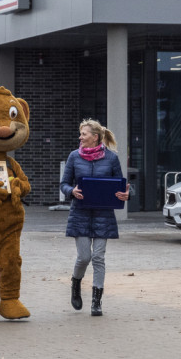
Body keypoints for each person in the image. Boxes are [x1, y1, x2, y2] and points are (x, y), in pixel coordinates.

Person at [60, 118, 130, 316]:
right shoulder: (74, 157)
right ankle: (76, 283)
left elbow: (120, 186)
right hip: (80, 213)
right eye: (81, 134)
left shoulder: (111, 158)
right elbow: (64, 184)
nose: (80, 137)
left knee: (98, 257)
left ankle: (96, 302)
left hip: (103, 214)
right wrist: (71, 191)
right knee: (84, 257)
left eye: (84, 134)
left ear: (95, 137)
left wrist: (126, 195)